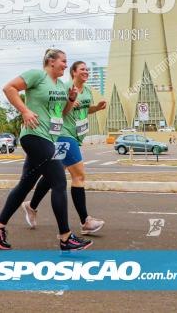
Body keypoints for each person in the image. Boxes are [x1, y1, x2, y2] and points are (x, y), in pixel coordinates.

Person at [0, 49, 93, 252]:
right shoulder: (37, 75)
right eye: (63, 61)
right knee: (59, 182)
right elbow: (9, 88)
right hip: (34, 136)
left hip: (49, 139)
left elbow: (62, 114)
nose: (65, 65)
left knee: (26, 185)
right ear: (51, 62)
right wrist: (24, 110)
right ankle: (65, 238)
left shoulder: (61, 85)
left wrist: (69, 100)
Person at [22, 60, 107, 234]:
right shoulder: (66, 88)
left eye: (87, 70)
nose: (86, 72)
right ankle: (85, 221)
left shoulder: (88, 90)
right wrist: (68, 102)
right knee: (79, 175)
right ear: (73, 72)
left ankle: (31, 205)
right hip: (63, 135)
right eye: (82, 69)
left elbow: (84, 109)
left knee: (54, 175)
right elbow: (54, 109)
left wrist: (96, 108)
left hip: (75, 136)